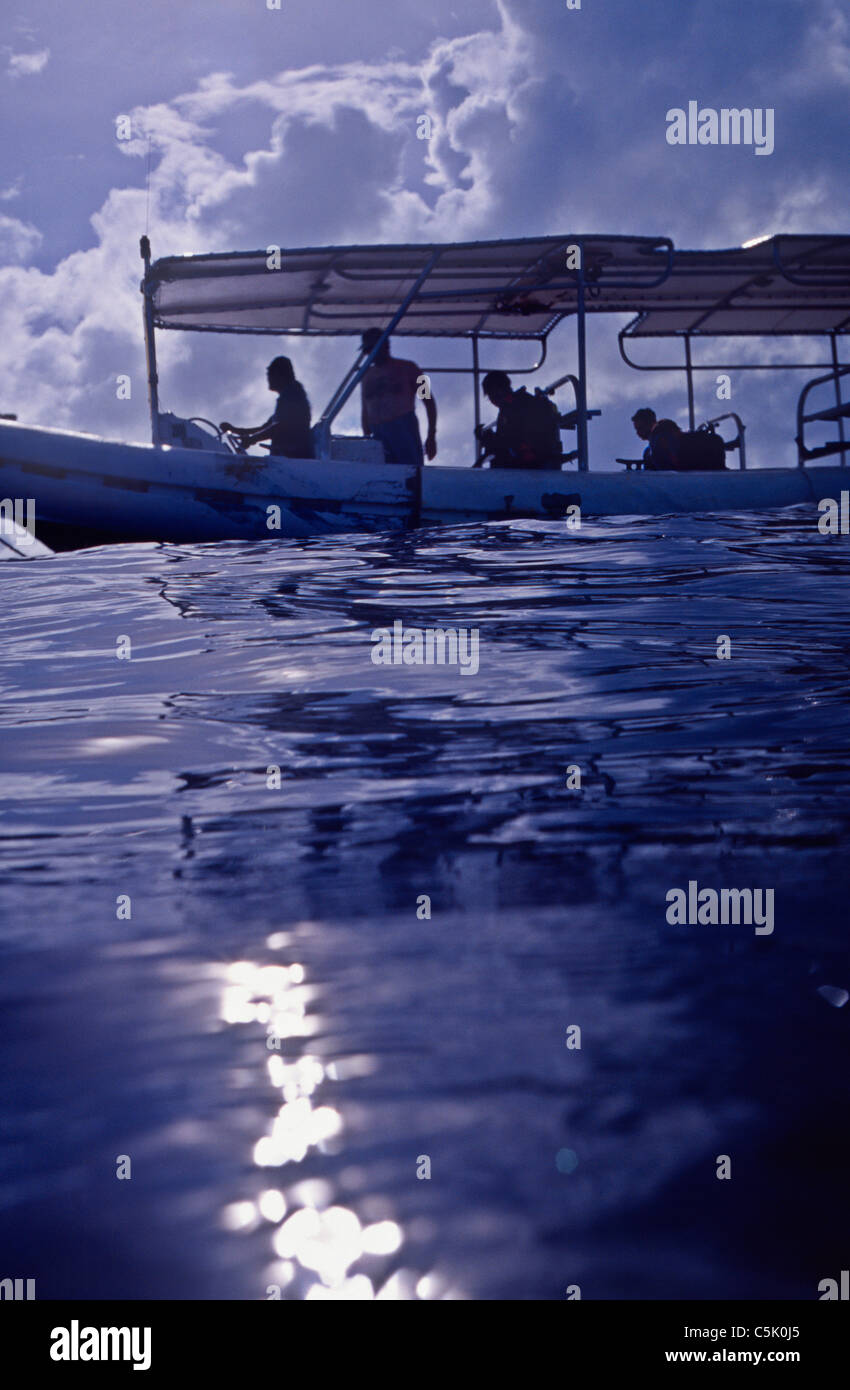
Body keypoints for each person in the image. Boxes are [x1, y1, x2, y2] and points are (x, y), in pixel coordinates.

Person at [360, 328, 437, 467]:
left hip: (404, 429)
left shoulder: (411, 368)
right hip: (376, 435)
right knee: (379, 478)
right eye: (367, 350)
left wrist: (431, 436)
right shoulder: (365, 376)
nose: (369, 354)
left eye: (372, 348)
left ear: (385, 345)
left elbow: (429, 401)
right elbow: (365, 410)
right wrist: (366, 440)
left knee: (412, 475)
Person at [220, 356, 314, 459]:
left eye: (270, 375)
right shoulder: (289, 396)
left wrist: (251, 440)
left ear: (280, 375)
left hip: (295, 460)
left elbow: (280, 427)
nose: (268, 379)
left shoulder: (293, 394)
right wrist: (236, 430)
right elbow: (265, 428)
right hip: (287, 460)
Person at [476, 371, 562, 470]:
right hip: (522, 462)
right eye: (490, 397)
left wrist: (492, 441)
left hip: (532, 464)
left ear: (503, 389)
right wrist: (488, 438)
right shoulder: (507, 409)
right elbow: (506, 441)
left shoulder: (522, 404)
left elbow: (518, 441)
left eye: (494, 395)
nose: (493, 400)